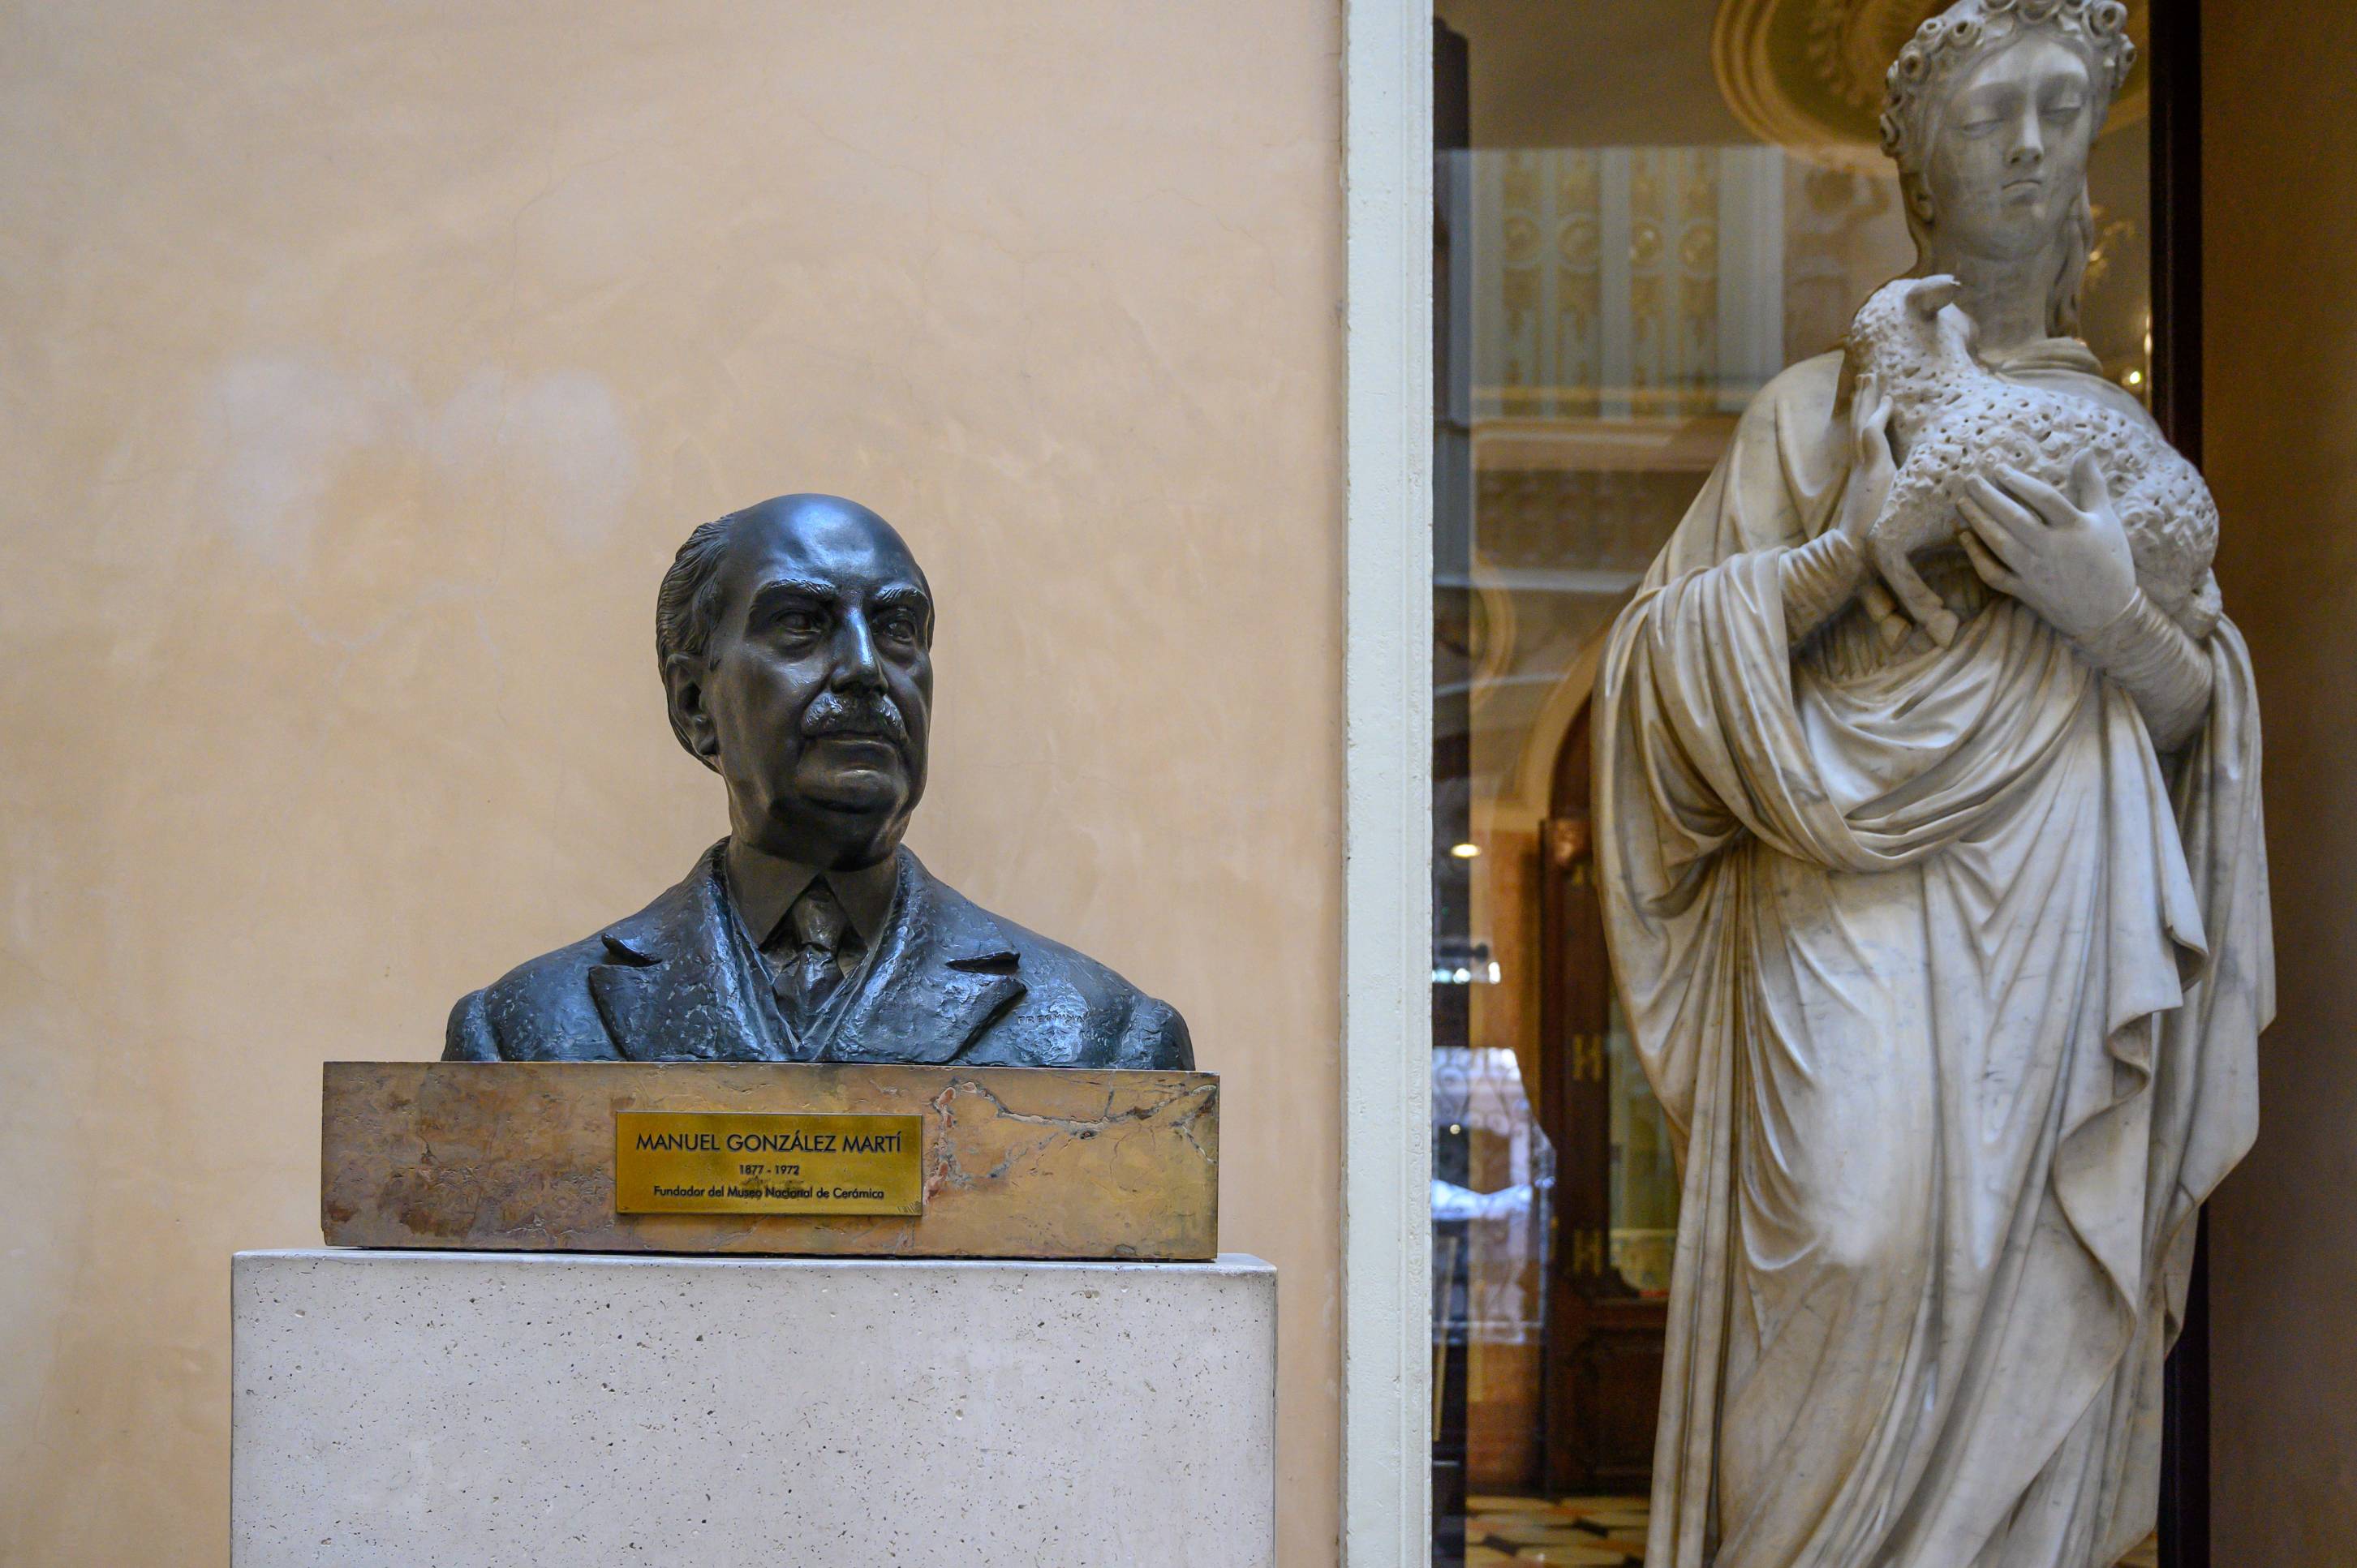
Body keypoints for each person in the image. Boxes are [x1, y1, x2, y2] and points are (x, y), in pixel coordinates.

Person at [1594, 2, 2269, 1562]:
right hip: (1839, 883)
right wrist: (1845, 553)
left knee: (2023, 1276)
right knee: (1850, 1231)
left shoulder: (2123, 441)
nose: (2030, 145)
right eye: (1987, 115)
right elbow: (1652, 687)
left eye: (2059, 111)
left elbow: (2204, 733)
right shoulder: (1807, 419)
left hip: (2064, 903)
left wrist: (2114, 618)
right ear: (1917, 172)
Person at [445, 493, 1192, 1069]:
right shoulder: (522, 1036)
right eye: (801, 623)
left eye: (897, 628)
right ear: (695, 702)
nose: (866, 668)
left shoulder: (1104, 1042)